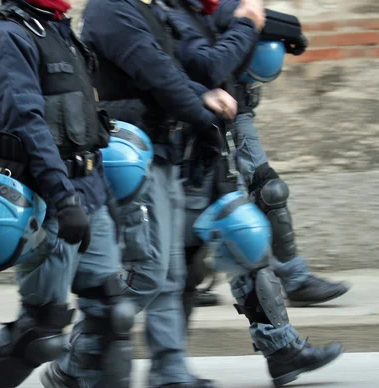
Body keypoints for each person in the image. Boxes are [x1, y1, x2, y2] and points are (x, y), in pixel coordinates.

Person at [39, 0, 237, 387]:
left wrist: (200, 93)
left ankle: (169, 368)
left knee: (172, 272)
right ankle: (77, 360)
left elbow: (173, 68)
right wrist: (203, 113)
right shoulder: (110, 8)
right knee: (146, 270)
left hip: (162, 146)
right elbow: (155, 72)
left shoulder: (150, 8)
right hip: (130, 153)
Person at [0, 0, 123, 387]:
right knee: (41, 333)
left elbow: (88, 126)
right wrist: (64, 198)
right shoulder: (5, 37)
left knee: (111, 312)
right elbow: (26, 124)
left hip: (89, 192)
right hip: (49, 203)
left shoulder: (57, 29)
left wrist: (105, 197)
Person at [167, 0, 350, 311]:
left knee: (240, 194)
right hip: (205, 115)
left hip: (232, 111)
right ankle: (290, 280)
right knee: (249, 193)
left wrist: (276, 29)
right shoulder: (194, 10)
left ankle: (191, 280)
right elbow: (267, 22)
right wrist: (262, 22)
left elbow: (277, 25)